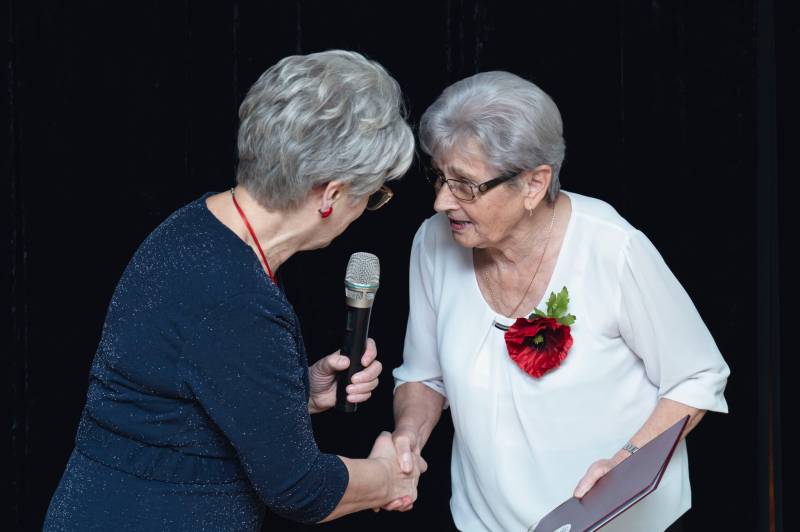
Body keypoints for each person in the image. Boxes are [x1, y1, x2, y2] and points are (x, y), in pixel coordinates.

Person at [44, 50, 425, 531]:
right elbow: (300, 489)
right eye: (370, 196)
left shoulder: (194, 230)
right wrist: (389, 477)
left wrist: (297, 394)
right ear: (331, 194)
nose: (364, 210)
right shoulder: (235, 296)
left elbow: (184, 406)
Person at [387, 71, 730, 531]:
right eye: (439, 178)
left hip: (614, 524)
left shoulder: (611, 248)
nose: (441, 202)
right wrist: (408, 438)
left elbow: (698, 377)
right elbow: (423, 375)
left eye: (465, 185)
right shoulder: (434, 243)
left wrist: (624, 461)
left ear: (534, 183)